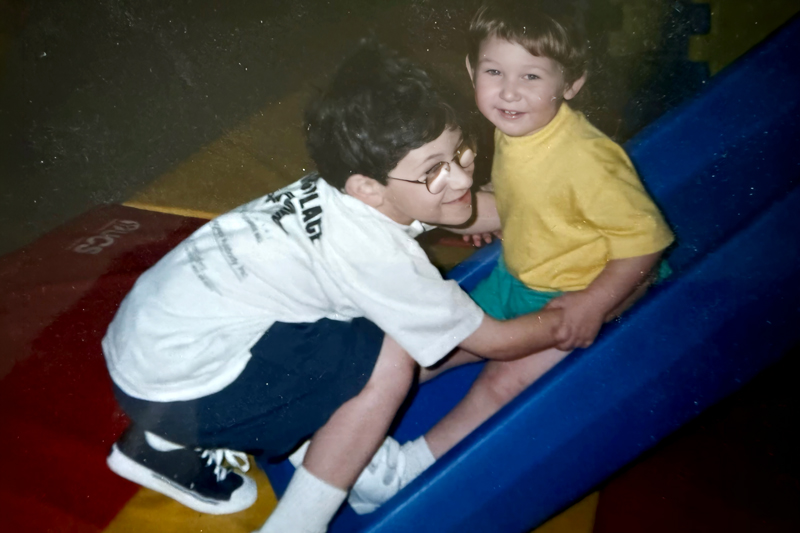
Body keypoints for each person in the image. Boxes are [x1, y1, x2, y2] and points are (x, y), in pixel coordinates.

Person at [101, 39, 565, 533]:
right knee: (390, 356)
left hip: (149, 350)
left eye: (462, 152)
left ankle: (162, 447)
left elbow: (462, 205)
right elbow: (491, 340)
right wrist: (567, 319)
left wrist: (553, 214)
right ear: (368, 187)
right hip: (185, 383)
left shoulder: (348, 184)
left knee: (350, 316)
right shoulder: (379, 256)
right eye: (434, 171)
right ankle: (303, 521)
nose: (459, 180)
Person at [345, 0, 675, 513]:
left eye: (532, 76)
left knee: (504, 380)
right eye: (494, 71)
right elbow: (528, 190)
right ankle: (342, 418)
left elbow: (647, 242)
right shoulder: (514, 125)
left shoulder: (590, 160)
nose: (509, 91)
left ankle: (406, 469)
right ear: (472, 71)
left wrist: (593, 302)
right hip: (520, 275)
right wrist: (507, 216)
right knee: (433, 345)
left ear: (570, 84)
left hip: (581, 293)